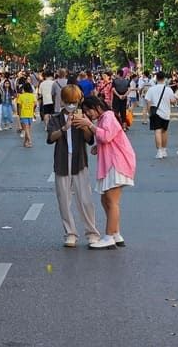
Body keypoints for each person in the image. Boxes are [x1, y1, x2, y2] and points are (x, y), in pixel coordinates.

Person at [77, 95, 136, 249]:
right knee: (106, 200)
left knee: (112, 201)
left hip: (116, 163)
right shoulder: (104, 117)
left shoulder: (108, 116)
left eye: (88, 110)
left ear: (96, 106)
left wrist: (89, 125)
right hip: (112, 162)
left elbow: (106, 136)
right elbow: (108, 137)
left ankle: (109, 236)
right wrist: (98, 146)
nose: (88, 114)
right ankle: (116, 233)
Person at [46, 85, 101, 248]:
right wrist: (65, 127)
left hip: (79, 161)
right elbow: (50, 138)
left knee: (86, 199)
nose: (72, 105)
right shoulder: (55, 119)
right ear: (62, 101)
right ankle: (70, 233)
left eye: (75, 102)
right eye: (69, 102)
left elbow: (89, 139)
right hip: (62, 161)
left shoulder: (83, 116)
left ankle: (92, 233)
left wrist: (84, 125)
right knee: (64, 199)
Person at [145, 71, 177, 159]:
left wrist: (149, 113)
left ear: (156, 78)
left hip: (156, 113)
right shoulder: (168, 89)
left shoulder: (151, 89)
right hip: (166, 113)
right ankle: (164, 150)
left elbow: (148, 101)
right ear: (164, 79)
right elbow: (173, 101)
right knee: (164, 131)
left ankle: (159, 151)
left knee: (157, 131)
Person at [17, 82, 37, 148]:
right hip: (30, 114)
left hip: (23, 114)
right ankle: (25, 142)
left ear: (24, 89)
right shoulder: (32, 96)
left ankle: (30, 141)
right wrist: (33, 111)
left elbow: (19, 106)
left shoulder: (21, 96)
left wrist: (19, 115)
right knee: (28, 129)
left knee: (26, 129)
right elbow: (35, 104)